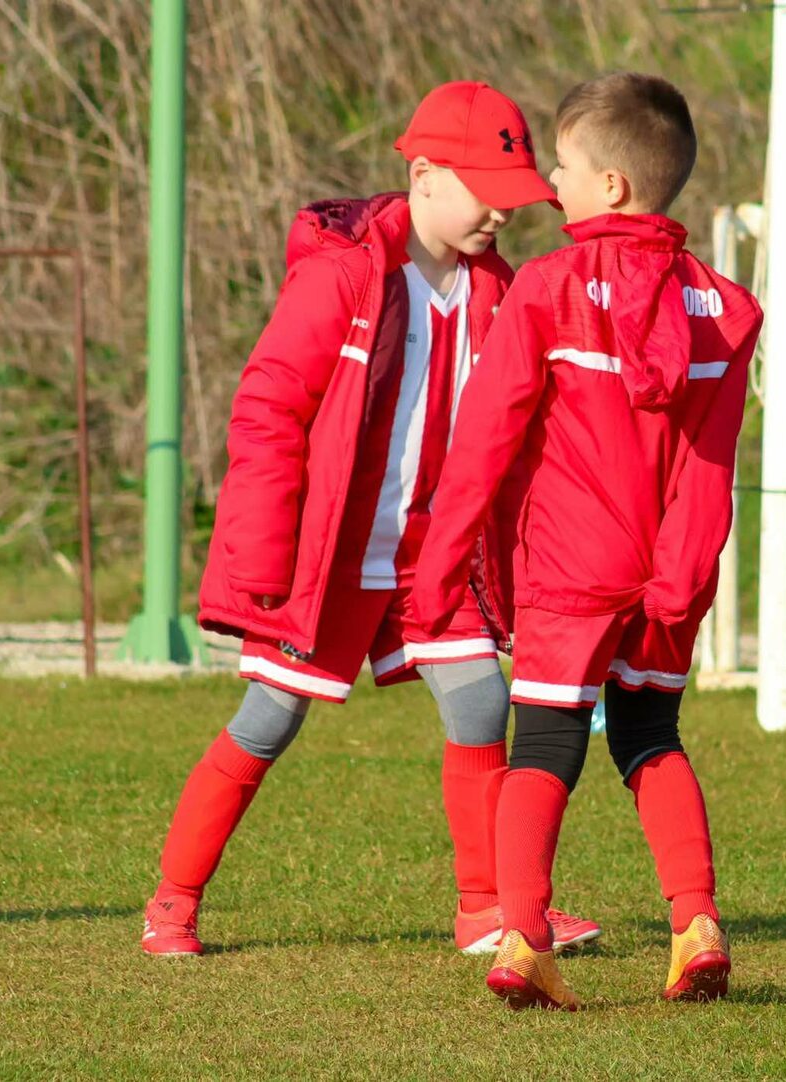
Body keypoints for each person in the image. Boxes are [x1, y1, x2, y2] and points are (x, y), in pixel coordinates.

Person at [142, 81, 600, 958]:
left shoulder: (500, 290)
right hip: (328, 560)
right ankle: (174, 900)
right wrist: (262, 548)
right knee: (269, 718)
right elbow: (269, 407)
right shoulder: (344, 276)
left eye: (514, 197)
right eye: (485, 194)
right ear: (423, 175)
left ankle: (487, 910)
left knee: (481, 703)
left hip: (437, 556)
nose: (502, 215)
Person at [412, 72, 763, 1009]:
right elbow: (713, 466)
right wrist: (684, 576)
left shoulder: (547, 288)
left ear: (611, 185)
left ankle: (523, 939)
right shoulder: (726, 309)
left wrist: (439, 572)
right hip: (671, 566)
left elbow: (483, 444)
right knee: (651, 736)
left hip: (569, 567)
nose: (551, 183)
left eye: (563, 166)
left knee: (542, 748)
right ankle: (697, 923)